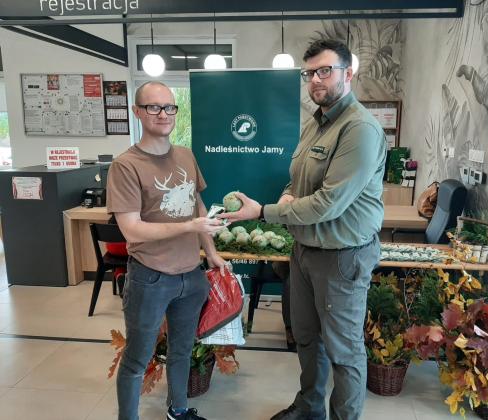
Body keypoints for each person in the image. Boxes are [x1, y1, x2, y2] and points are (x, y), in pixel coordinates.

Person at [219, 39, 386, 420]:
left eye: (325, 70)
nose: (315, 80)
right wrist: (287, 195)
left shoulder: (359, 128)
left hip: (341, 258)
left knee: (344, 351)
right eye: (309, 73)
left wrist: (264, 211)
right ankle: (310, 408)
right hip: (304, 251)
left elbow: (328, 203)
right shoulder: (316, 123)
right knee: (307, 339)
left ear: (348, 72)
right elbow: (297, 181)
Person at [107, 81, 227, 420]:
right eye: (153, 107)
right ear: (137, 112)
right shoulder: (126, 165)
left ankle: (178, 410)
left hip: (191, 275)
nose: (163, 114)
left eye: (169, 107)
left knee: (182, 350)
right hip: (150, 278)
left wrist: (211, 252)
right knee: (137, 359)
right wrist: (189, 227)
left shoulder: (186, 155)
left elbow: (196, 203)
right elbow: (132, 229)